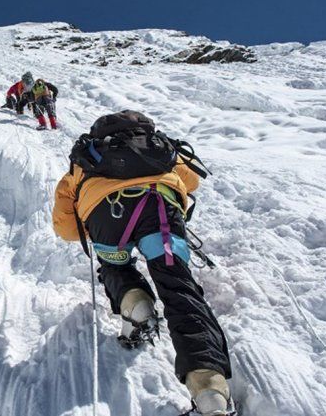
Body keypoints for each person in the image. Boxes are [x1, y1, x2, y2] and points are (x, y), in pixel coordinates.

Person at [52, 110, 233, 416]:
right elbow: (191, 182)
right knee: (177, 284)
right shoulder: (158, 146)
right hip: (159, 208)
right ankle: (209, 390)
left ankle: (135, 303)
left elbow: (67, 229)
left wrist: (91, 224)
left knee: (115, 267)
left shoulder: (85, 158)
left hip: (107, 216)